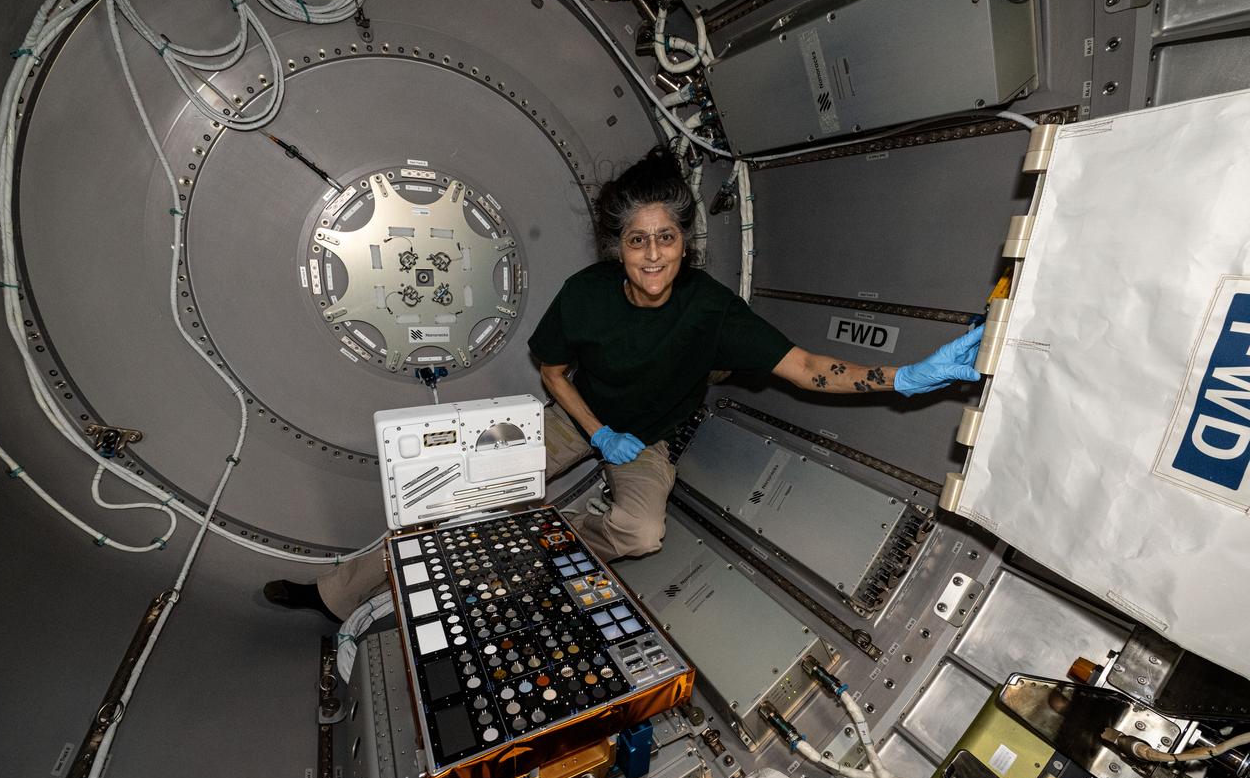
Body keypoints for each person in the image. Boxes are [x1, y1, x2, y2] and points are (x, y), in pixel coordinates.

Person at [264, 146, 982, 621]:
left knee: (641, 531)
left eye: (666, 238)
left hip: (650, 439)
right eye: (638, 241)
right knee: (450, 490)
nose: (653, 256)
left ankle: (537, 550)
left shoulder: (711, 311)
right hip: (580, 415)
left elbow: (806, 367)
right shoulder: (587, 295)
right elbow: (553, 371)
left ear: (684, 241)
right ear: (618, 247)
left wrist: (907, 377)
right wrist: (596, 430)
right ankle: (336, 595)